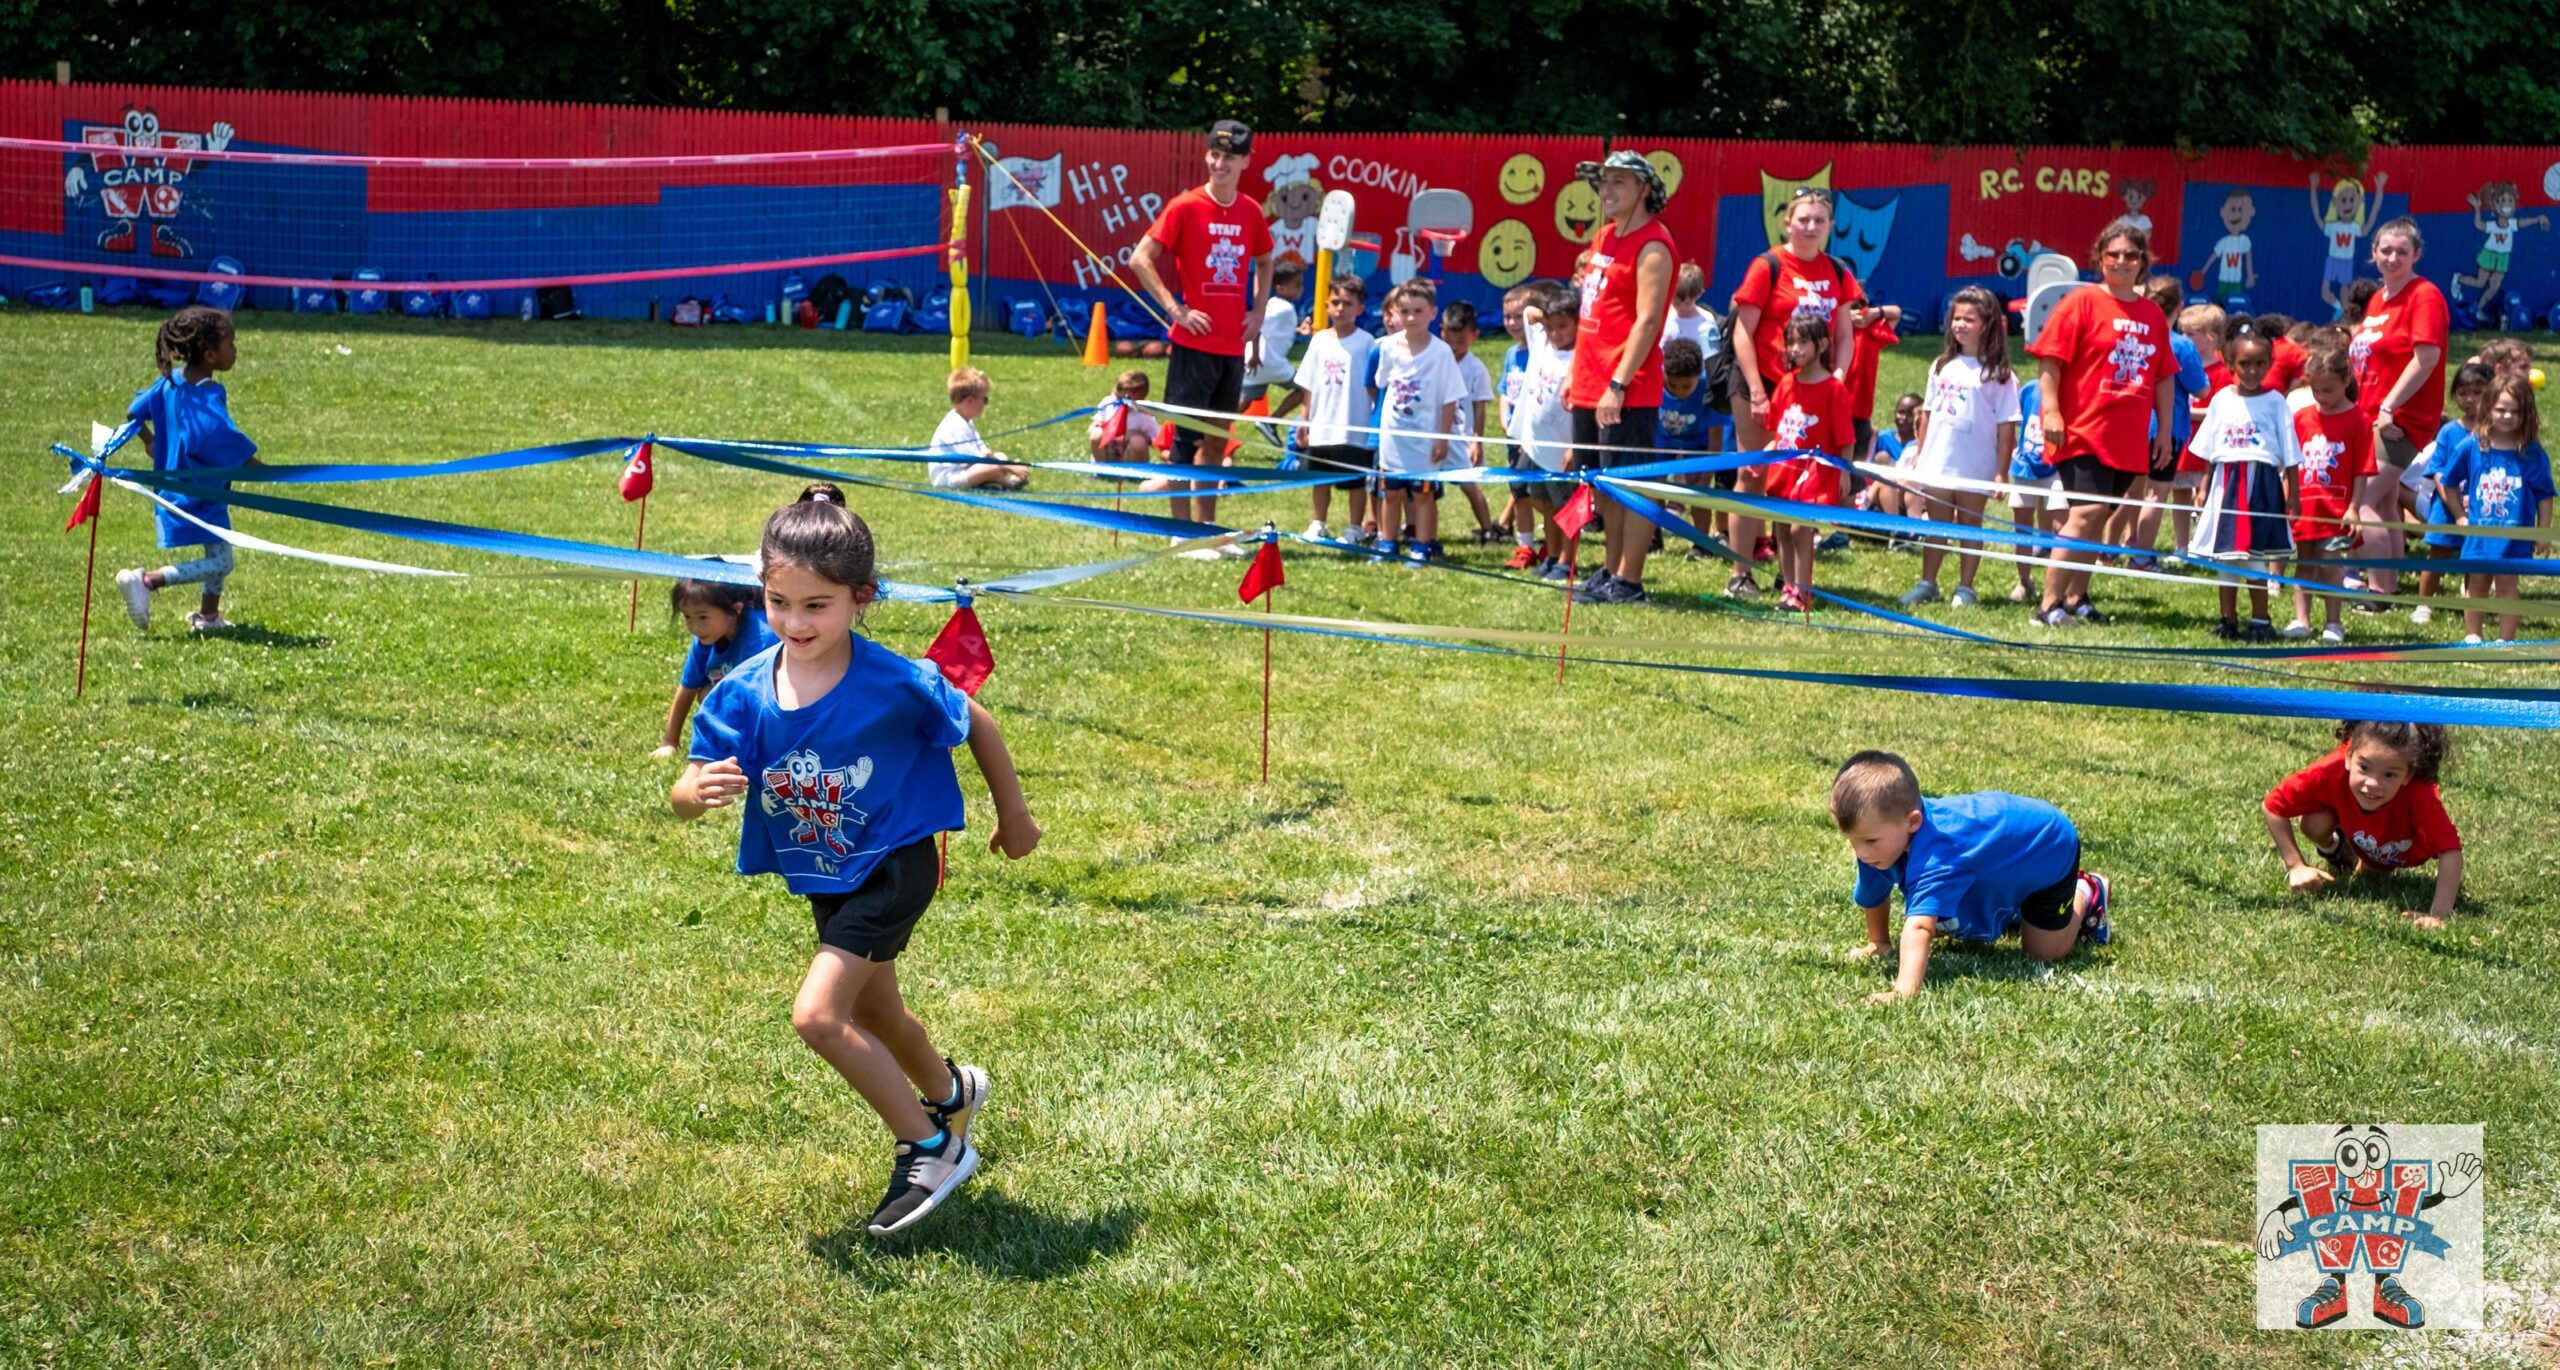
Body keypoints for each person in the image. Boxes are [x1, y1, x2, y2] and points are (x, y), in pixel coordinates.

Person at [670, 488, 1041, 1237]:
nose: (796, 622)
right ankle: (951, 1091)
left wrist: (1016, 814)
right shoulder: (743, 690)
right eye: (779, 602)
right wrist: (689, 791)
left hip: (894, 864)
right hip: (823, 871)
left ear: (860, 599)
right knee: (875, 1010)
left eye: (818, 605)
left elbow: (978, 722)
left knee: (818, 1015)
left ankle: (931, 1148)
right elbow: (689, 780)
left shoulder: (891, 681)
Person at [1835, 750, 2112, 1004]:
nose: (1861, 852)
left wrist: (1903, 991)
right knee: (1960, 912)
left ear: (1913, 822)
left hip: (2048, 846)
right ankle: (2016, 906)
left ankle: (2087, 890)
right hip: (1999, 859)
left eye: (1869, 841)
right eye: (1853, 841)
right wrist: (1880, 943)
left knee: (2042, 955)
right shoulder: (1875, 841)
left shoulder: (1938, 854)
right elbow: (1874, 894)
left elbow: (1920, 927)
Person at [1129, 120, 1276, 531]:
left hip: (1232, 345)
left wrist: (1258, 311)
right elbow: (1140, 258)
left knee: (1217, 441)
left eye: (1230, 157)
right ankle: (1181, 534)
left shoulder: (1249, 211)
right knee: (1183, 441)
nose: (1220, 163)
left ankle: (1207, 531)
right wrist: (1176, 310)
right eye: (1214, 154)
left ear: (1245, 161)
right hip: (1193, 345)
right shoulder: (1185, 206)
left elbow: (1266, 260)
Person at [2027, 219, 2174, 629]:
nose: (2122, 262)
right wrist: (2051, 411)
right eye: (2114, 255)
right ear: (2100, 259)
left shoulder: (2152, 315)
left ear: (2143, 261)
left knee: (2100, 515)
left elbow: (2163, 375)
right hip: (2082, 430)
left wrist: (2163, 432)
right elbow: (2049, 360)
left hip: (2127, 437)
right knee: (2086, 512)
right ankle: (2047, 606)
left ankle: (2078, 597)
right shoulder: (2081, 303)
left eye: (2131, 255)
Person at [1727, 185, 1863, 597]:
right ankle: (1740, 573)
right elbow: (1742, 332)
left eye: (1819, 220)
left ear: (1829, 227)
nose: (1810, 226)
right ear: (1787, 222)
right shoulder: (1768, 265)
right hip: (1763, 383)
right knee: (1753, 476)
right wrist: (1756, 390)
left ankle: (1789, 577)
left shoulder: (1837, 271)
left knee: (1794, 480)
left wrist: (1836, 376)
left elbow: (1844, 332)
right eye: (1803, 219)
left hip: (1810, 391)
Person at [1564, 150, 1679, 606]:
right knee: (1602, 483)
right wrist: (1575, 374)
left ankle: (1631, 579)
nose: (1607, 191)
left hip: (1627, 386)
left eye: (1619, 182)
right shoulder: (1605, 237)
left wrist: (1618, 383)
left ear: (1644, 190)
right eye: (1603, 182)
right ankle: (1611, 568)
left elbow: (1647, 322)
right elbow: (1593, 315)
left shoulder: (1654, 245)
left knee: (1630, 482)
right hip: (1591, 380)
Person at [114, 305, 257, 634]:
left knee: (217, 547)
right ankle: (148, 580)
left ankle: (208, 617)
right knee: (222, 560)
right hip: (200, 489)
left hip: (178, 484)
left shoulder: (169, 382)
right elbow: (217, 436)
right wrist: (257, 467)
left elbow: (133, 412)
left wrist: (150, 442)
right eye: (230, 344)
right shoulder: (207, 395)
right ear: (209, 354)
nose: (235, 350)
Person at [2263, 721, 2461, 929]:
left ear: (2408, 774)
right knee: (2314, 822)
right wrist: (2296, 865)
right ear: (2349, 756)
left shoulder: (2420, 793)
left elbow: (2451, 851)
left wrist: (2438, 915)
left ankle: (2367, 861)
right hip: (2363, 833)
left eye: (2390, 774)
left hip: (2404, 847)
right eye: (2364, 767)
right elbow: (2273, 806)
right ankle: (2337, 852)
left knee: (2373, 872)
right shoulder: (2332, 767)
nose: (2373, 783)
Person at [1897, 286, 2019, 610]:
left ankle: (1966, 587)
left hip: (1975, 462)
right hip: (1939, 461)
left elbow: (2008, 426)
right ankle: (1928, 582)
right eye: (1956, 318)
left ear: (1988, 324)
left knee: (1969, 524)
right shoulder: (1940, 365)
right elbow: (1928, 414)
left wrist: (2000, 472)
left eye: (1969, 319)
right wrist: (1920, 454)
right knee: (1936, 523)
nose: (1960, 324)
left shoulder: (2000, 374)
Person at [2347, 219, 2449, 604]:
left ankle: (2377, 592)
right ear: (2373, 252)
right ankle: (2388, 587)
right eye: (2385, 250)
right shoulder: (2378, 299)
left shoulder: (2424, 296)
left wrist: (2389, 406)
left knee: (2363, 500)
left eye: (2402, 252)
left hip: (2401, 420)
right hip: (2369, 415)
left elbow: (2427, 358)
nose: (2392, 258)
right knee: (2386, 503)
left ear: (2416, 255)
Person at [2188, 320, 2304, 641]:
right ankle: (2228, 619)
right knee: (2226, 559)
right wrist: (2203, 486)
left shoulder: (2276, 402)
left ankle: (2261, 620)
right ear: (2230, 364)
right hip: (2226, 486)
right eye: (2244, 364)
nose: (2252, 371)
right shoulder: (2221, 400)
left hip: (2261, 488)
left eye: (2259, 364)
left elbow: (2291, 452)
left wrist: (2292, 494)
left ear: (2269, 364)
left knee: (2253, 558)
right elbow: (2211, 450)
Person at [2434, 374, 2554, 645]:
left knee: (2507, 586)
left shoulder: (2531, 452)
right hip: (2479, 534)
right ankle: (2473, 634)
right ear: (2488, 408)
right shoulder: (2472, 446)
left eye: (2515, 411)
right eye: (2501, 409)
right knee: (2476, 583)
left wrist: (2543, 531)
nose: (2507, 416)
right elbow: (2449, 481)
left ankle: (2505, 639)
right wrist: (2460, 516)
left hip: (2514, 536)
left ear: (2526, 414)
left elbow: (2545, 495)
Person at [1270, 274, 1377, 544]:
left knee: (1355, 480)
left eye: (1348, 303)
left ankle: (1354, 527)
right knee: (1320, 477)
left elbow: (1373, 385)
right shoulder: (1318, 341)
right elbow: (1309, 384)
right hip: (1321, 424)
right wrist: (1304, 421)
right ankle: (1319, 522)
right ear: (1327, 305)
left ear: (1360, 308)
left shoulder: (1367, 343)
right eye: (1336, 302)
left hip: (1354, 425)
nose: (1341, 308)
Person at [1761, 315, 1855, 612]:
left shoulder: (1833, 389)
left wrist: (1844, 471)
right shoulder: (1787, 383)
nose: (1795, 349)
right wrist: (1763, 455)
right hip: (1784, 471)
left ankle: (1803, 592)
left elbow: (1846, 437)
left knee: (1800, 530)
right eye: (1791, 342)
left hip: (1814, 474)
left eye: (1803, 342)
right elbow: (1779, 428)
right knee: (1782, 531)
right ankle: (1788, 586)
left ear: (1823, 344)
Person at [1370, 279, 1464, 564]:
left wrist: (1442, 438)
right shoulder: (1386, 347)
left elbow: (1450, 399)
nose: (1411, 318)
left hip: (1425, 437)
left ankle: (1422, 545)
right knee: (1391, 491)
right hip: (1393, 435)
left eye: (1418, 311)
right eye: (1405, 311)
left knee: (1422, 495)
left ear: (1433, 313)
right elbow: (1381, 383)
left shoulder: (1441, 352)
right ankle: (1387, 542)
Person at [2285, 346, 2373, 643]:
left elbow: (2362, 469)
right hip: (2305, 505)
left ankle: (2334, 622)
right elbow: (2292, 463)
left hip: (2335, 507)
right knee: (2305, 561)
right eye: (2316, 390)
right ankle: (2301, 618)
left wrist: (2355, 507)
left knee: (2329, 562)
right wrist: (2290, 497)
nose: (2322, 397)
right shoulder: (2302, 418)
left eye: (2329, 390)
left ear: (2346, 381)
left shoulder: (2358, 420)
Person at [652, 575, 777, 758]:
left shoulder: (762, 638)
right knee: (708, 693)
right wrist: (670, 741)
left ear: (736, 609)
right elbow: (688, 688)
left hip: (772, 707)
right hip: (743, 703)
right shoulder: (705, 639)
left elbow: (768, 697)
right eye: (687, 617)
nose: (695, 627)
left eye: (703, 617)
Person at [2411, 363, 2494, 618]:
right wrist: (2454, 504)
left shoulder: (2496, 433)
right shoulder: (2449, 431)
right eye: (2463, 393)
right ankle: (2423, 604)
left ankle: (2471, 606)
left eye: (2478, 392)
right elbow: (2438, 472)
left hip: (2481, 507)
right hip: (2446, 508)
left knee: (2475, 558)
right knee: (2438, 554)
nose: (2469, 400)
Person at [1512, 284, 1580, 579]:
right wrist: (1550, 315)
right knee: (1544, 502)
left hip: (1562, 447)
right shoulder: (1541, 340)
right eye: (1551, 327)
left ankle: (1567, 559)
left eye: (1564, 327)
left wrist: (1574, 447)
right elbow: (1528, 311)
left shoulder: (1580, 356)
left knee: (1567, 507)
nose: (1556, 334)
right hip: (1537, 445)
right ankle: (1552, 553)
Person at [1437, 299, 1506, 545]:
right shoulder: (1435, 359)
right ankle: (1417, 527)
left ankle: (1488, 530)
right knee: (1422, 485)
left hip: (1461, 438)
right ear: (1441, 331)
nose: (1454, 347)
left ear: (1474, 335)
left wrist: (1476, 440)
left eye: (1460, 341)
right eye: (1449, 339)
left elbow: (1479, 406)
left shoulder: (1476, 369)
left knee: (1469, 486)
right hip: (1434, 434)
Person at [925, 368, 1028, 491]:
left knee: (1000, 457)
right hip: (948, 478)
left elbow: (979, 449)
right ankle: (1008, 485)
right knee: (990, 468)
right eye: (984, 399)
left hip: (964, 470)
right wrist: (1009, 467)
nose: (986, 404)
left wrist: (990, 455)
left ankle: (990, 485)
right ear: (970, 401)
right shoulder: (955, 425)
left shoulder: (966, 421)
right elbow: (972, 459)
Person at [2309, 172, 2387, 319]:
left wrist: (2380, 190)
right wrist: (2313, 188)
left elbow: (2372, 216)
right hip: (2332, 260)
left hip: (2346, 262)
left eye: (2352, 200)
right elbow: (2316, 214)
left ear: (2359, 203)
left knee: (2345, 292)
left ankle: (2345, 317)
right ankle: (2339, 308)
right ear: (2335, 203)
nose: (2347, 205)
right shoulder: (2332, 226)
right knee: (2325, 292)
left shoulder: (2355, 228)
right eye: (2343, 200)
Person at [1242, 258, 1305, 405]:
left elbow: (1273, 330)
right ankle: (1270, 422)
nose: (1301, 288)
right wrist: (1255, 355)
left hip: (1258, 363)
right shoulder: (1283, 308)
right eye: (1297, 285)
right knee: (1306, 388)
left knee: (1244, 402)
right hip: (1267, 362)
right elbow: (1256, 327)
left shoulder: (1274, 304)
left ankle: (1214, 425)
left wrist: (1298, 331)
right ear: (1280, 288)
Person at [1087, 369, 1162, 463]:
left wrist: (1136, 435)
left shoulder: (1144, 415)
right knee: (1097, 434)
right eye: (1116, 396)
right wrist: (1097, 428)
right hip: (1108, 451)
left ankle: (1132, 474)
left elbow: (1156, 440)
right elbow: (1096, 423)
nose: (1117, 401)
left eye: (1121, 398)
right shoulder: (1108, 403)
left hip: (1130, 456)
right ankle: (1101, 470)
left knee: (1137, 441)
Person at [1866, 392, 1920, 520]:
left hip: (1910, 493)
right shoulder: (1883, 438)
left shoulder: (1919, 446)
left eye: (1910, 414)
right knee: (1882, 458)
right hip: (1884, 492)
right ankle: (1896, 528)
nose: (1904, 417)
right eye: (1901, 412)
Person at [1661, 262, 1719, 352]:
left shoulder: (1706, 322)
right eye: (1676, 303)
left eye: (1688, 303)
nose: (1681, 308)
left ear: (1700, 294)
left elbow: (1711, 361)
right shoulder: (1660, 316)